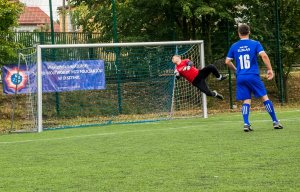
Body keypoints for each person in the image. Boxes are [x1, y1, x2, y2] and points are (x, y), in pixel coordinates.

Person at [225, 23, 283, 132]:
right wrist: (270, 69)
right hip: (253, 75)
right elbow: (264, 55)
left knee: (246, 100)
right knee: (264, 98)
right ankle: (275, 122)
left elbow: (227, 61)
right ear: (249, 32)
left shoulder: (234, 46)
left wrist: (236, 70)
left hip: (241, 77)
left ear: (238, 33)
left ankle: (246, 123)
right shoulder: (255, 43)